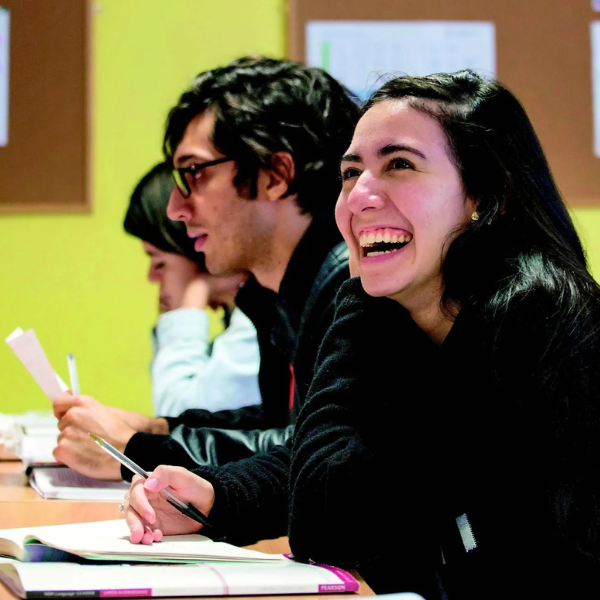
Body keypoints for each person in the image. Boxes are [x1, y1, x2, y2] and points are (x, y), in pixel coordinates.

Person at [284, 71, 600, 598]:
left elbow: (328, 518)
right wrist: (221, 494)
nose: (357, 197)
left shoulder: (532, 329)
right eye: (350, 171)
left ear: (487, 198)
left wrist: (360, 299)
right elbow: (333, 470)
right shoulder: (407, 316)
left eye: (399, 165)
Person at [53, 56, 358, 486]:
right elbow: (279, 423)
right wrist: (158, 430)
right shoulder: (278, 293)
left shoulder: (353, 287)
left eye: (193, 174)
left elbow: (313, 457)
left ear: (274, 176)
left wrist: (134, 450)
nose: (176, 210)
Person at [123, 161, 261, 417]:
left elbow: (181, 417)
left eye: (159, 262)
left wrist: (191, 302)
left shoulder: (256, 324)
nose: (152, 277)